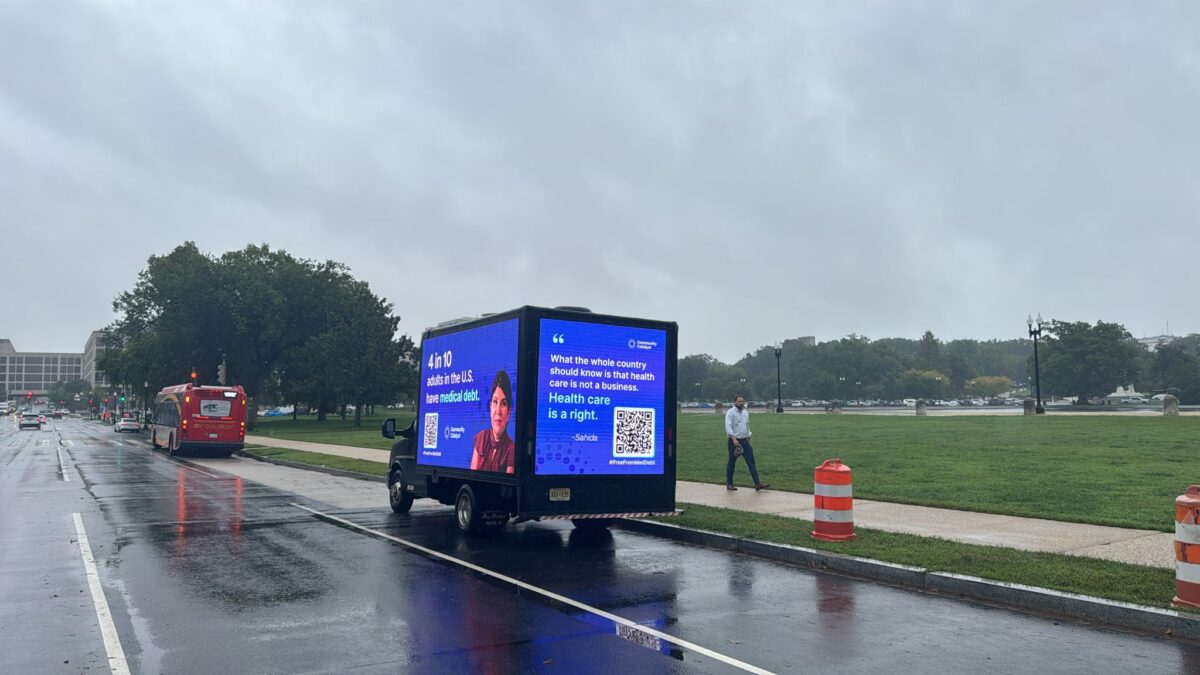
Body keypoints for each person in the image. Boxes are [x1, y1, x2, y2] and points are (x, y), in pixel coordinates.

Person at [471, 370, 516, 473]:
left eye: (503, 403)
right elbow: (472, 477)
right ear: (490, 406)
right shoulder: (481, 438)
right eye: (495, 402)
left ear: (508, 413)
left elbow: (508, 484)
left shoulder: (511, 448)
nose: (498, 411)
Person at [724, 394, 768, 491]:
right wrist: (734, 439)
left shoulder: (745, 412)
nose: (741, 403)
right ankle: (729, 484)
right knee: (732, 462)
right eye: (739, 401)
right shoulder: (730, 413)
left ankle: (757, 483)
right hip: (734, 441)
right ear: (735, 402)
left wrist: (749, 439)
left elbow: (747, 426)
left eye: (742, 401)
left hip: (745, 440)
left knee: (751, 461)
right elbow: (728, 426)